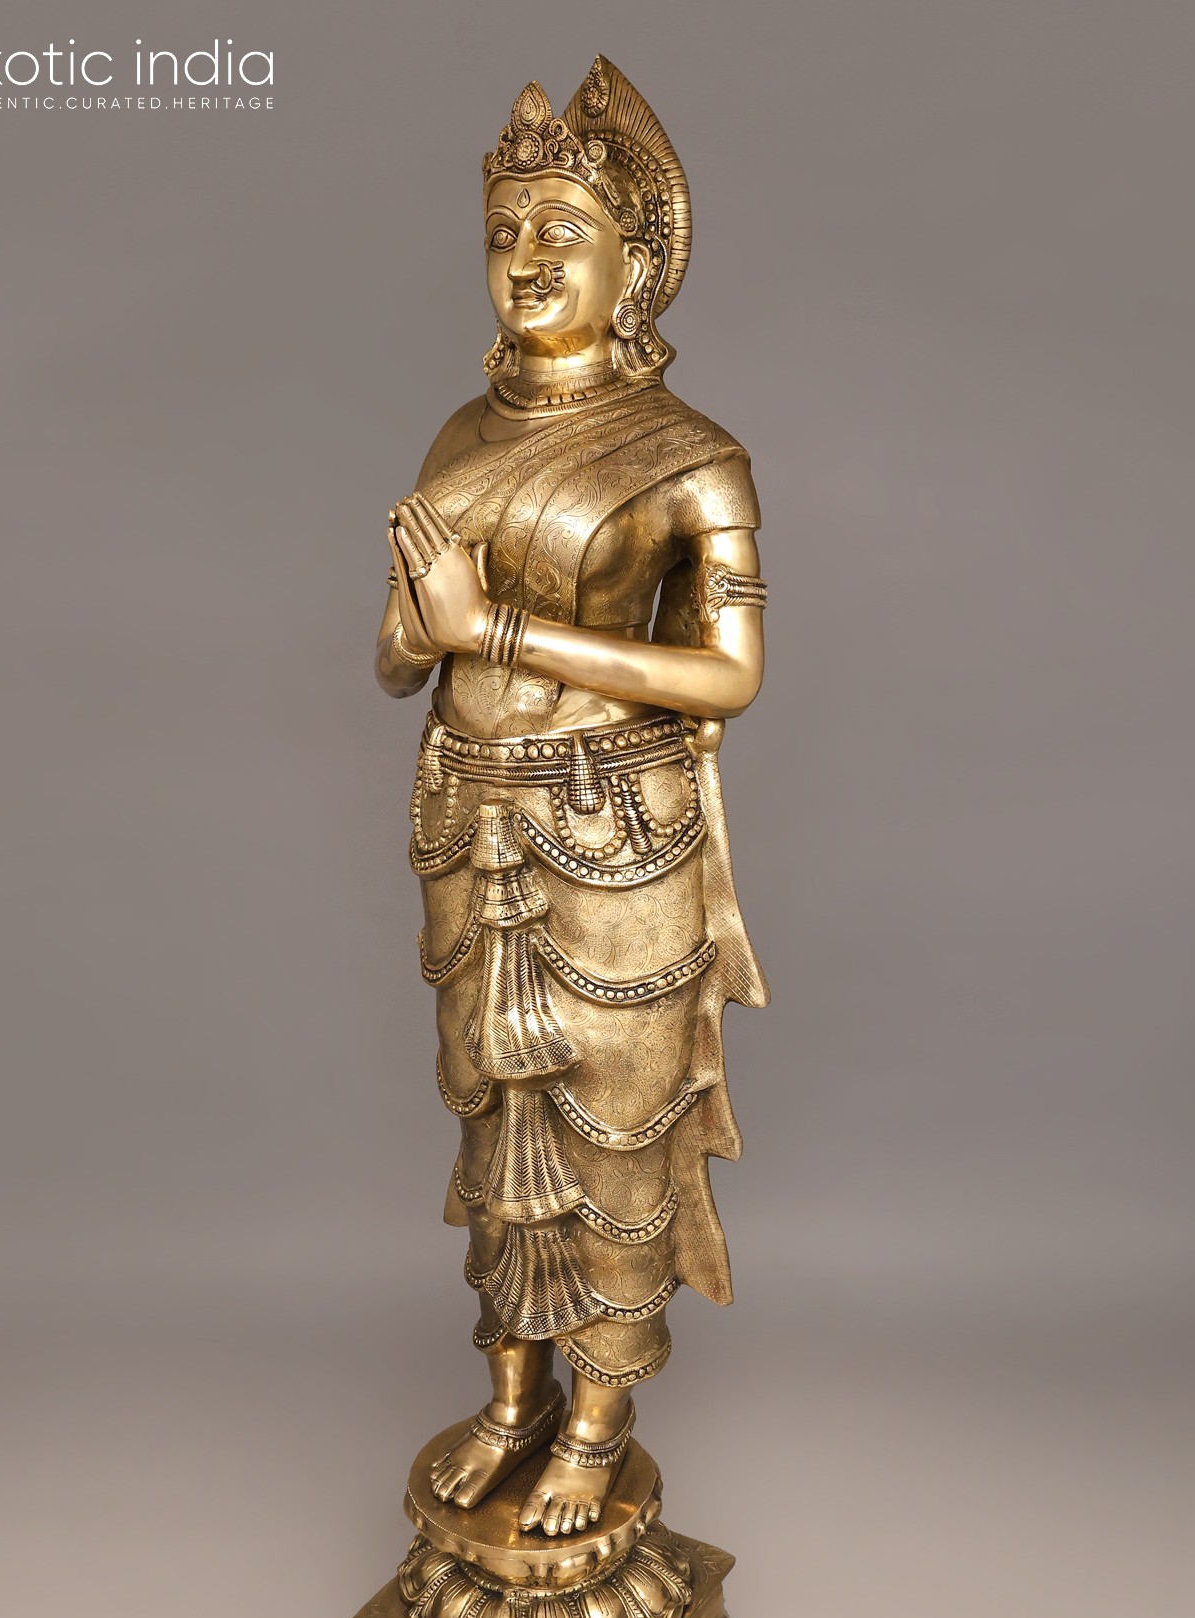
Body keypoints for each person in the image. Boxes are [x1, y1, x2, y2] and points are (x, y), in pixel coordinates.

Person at [378, 58, 769, 1538]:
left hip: (617, 830)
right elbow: (396, 656)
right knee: (498, 1126)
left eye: (563, 233)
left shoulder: (693, 459)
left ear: (635, 267)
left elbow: (729, 674)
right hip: (471, 821)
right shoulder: (459, 436)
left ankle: (599, 1421)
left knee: (615, 1130)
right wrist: (424, 623)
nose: (526, 259)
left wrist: (494, 630)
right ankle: (512, 1397)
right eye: (504, 233)